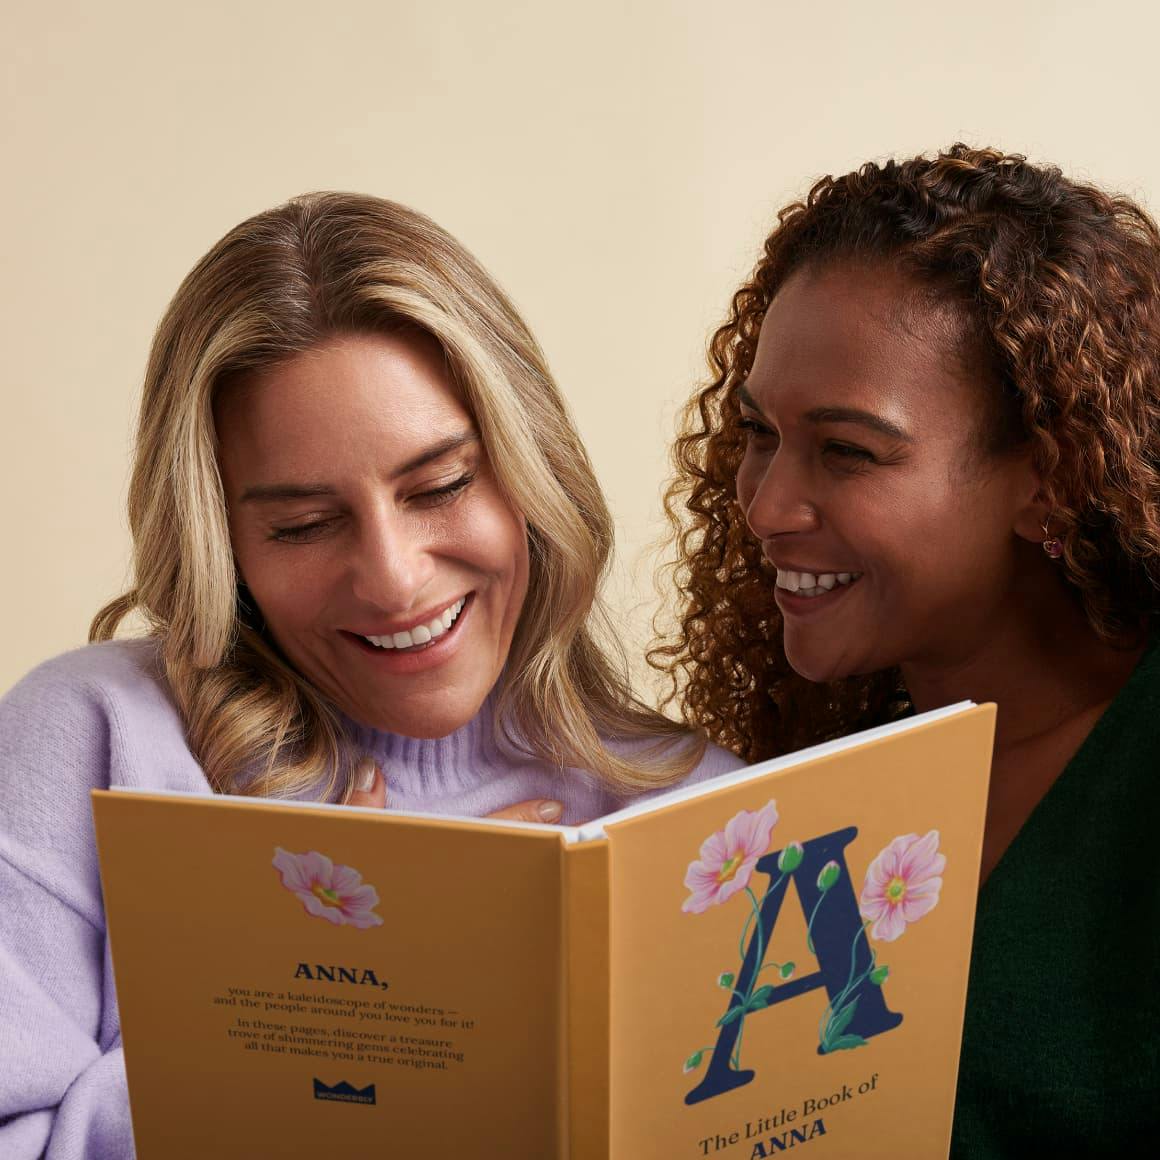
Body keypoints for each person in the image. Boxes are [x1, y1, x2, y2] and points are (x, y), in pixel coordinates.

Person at [0, 192, 743, 1159]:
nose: (393, 580)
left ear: (532, 470)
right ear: (222, 541)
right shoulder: (94, 740)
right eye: (302, 525)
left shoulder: (700, 812)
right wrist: (338, 1009)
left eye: (440, 486)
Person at [653, 145, 1160, 1155]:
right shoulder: (797, 772)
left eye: (846, 451)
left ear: (1049, 475)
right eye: (757, 431)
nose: (762, 504)